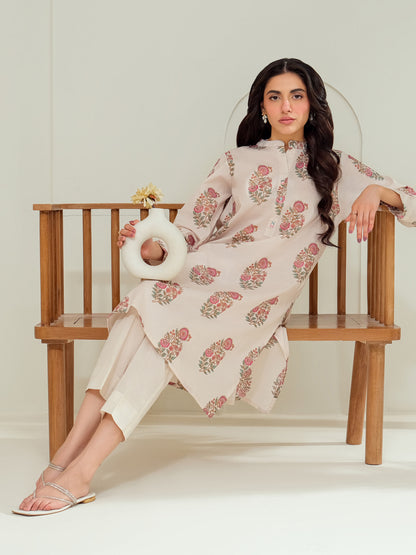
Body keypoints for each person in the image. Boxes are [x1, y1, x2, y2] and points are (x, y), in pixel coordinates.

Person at [14, 58, 416, 516]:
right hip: (206, 274)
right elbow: (188, 231)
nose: (286, 106)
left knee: (158, 328)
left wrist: (376, 192)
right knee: (147, 302)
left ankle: (76, 468)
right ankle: (70, 460)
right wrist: (151, 247)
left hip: (260, 298)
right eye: (275, 97)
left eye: (297, 96)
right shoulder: (235, 161)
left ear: (312, 105)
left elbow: (413, 201)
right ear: (262, 106)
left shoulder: (335, 167)